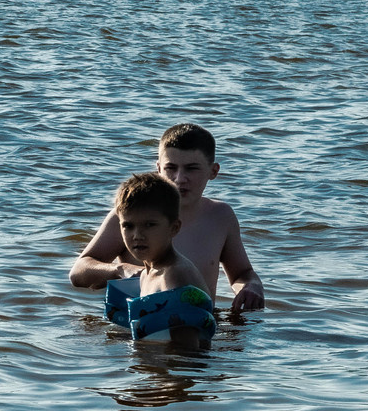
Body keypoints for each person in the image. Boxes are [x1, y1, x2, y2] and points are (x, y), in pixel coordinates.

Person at [69, 123, 266, 313]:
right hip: (138, 330)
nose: (180, 178)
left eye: (191, 168)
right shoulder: (130, 215)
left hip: (197, 328)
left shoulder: (221, 216)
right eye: (171, 168)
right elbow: (79, 271)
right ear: (158, 169)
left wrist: (251, 286)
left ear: (213, 171)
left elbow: (242, 273)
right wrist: (121, 270)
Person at [94, 173, 216, 339]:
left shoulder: (174, 275)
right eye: (128, 226)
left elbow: (186, 353)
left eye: (149, 225)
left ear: (174, 227)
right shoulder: (147, 273)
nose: (137, 235)